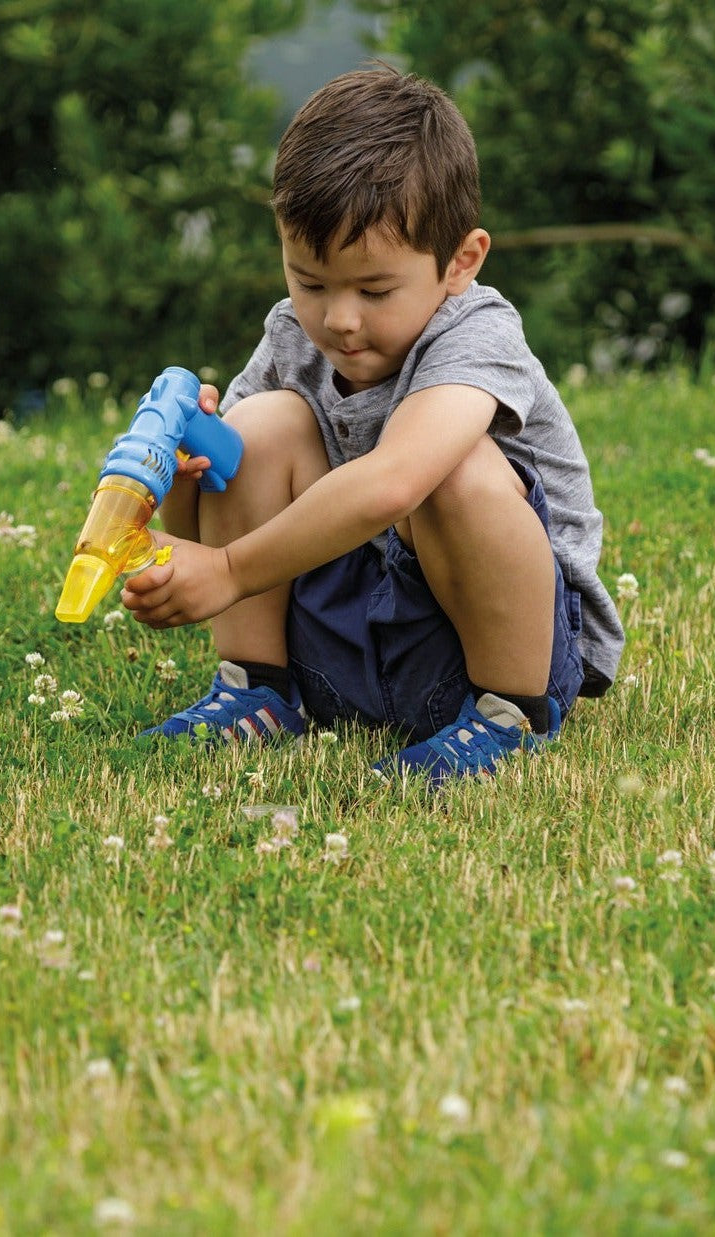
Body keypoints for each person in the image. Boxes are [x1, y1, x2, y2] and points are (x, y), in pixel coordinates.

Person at [121, 65, 624, 784]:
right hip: (340, 648)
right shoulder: (295, 334)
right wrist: (181, 496)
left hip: (488, 646)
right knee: (254, 429)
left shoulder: (477, 334)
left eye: (374, 288)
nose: (339, 318)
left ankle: (508, 721)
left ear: (460, 261)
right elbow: (219, 511)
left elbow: (393, 484)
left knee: (448, 466)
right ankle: (257, 689)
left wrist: (228, 571)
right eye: (310, 282)